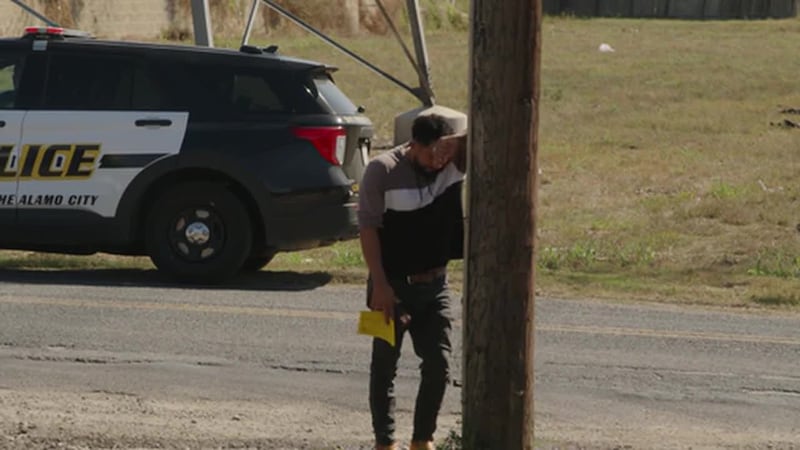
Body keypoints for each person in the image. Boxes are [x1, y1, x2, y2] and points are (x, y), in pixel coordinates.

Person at [358, 114, 467, 450]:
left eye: (444, 152)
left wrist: (455, 141)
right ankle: (384, 442)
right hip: (389, 285)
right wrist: (380, 285)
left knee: (439, 363)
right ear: (413, 145)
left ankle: (422, 440)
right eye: (430, 153)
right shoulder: (382, 171)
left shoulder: (452, 164)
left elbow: (491, 128)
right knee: (384, 366)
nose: (438, 161)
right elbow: (367, 229)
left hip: (435, 285)